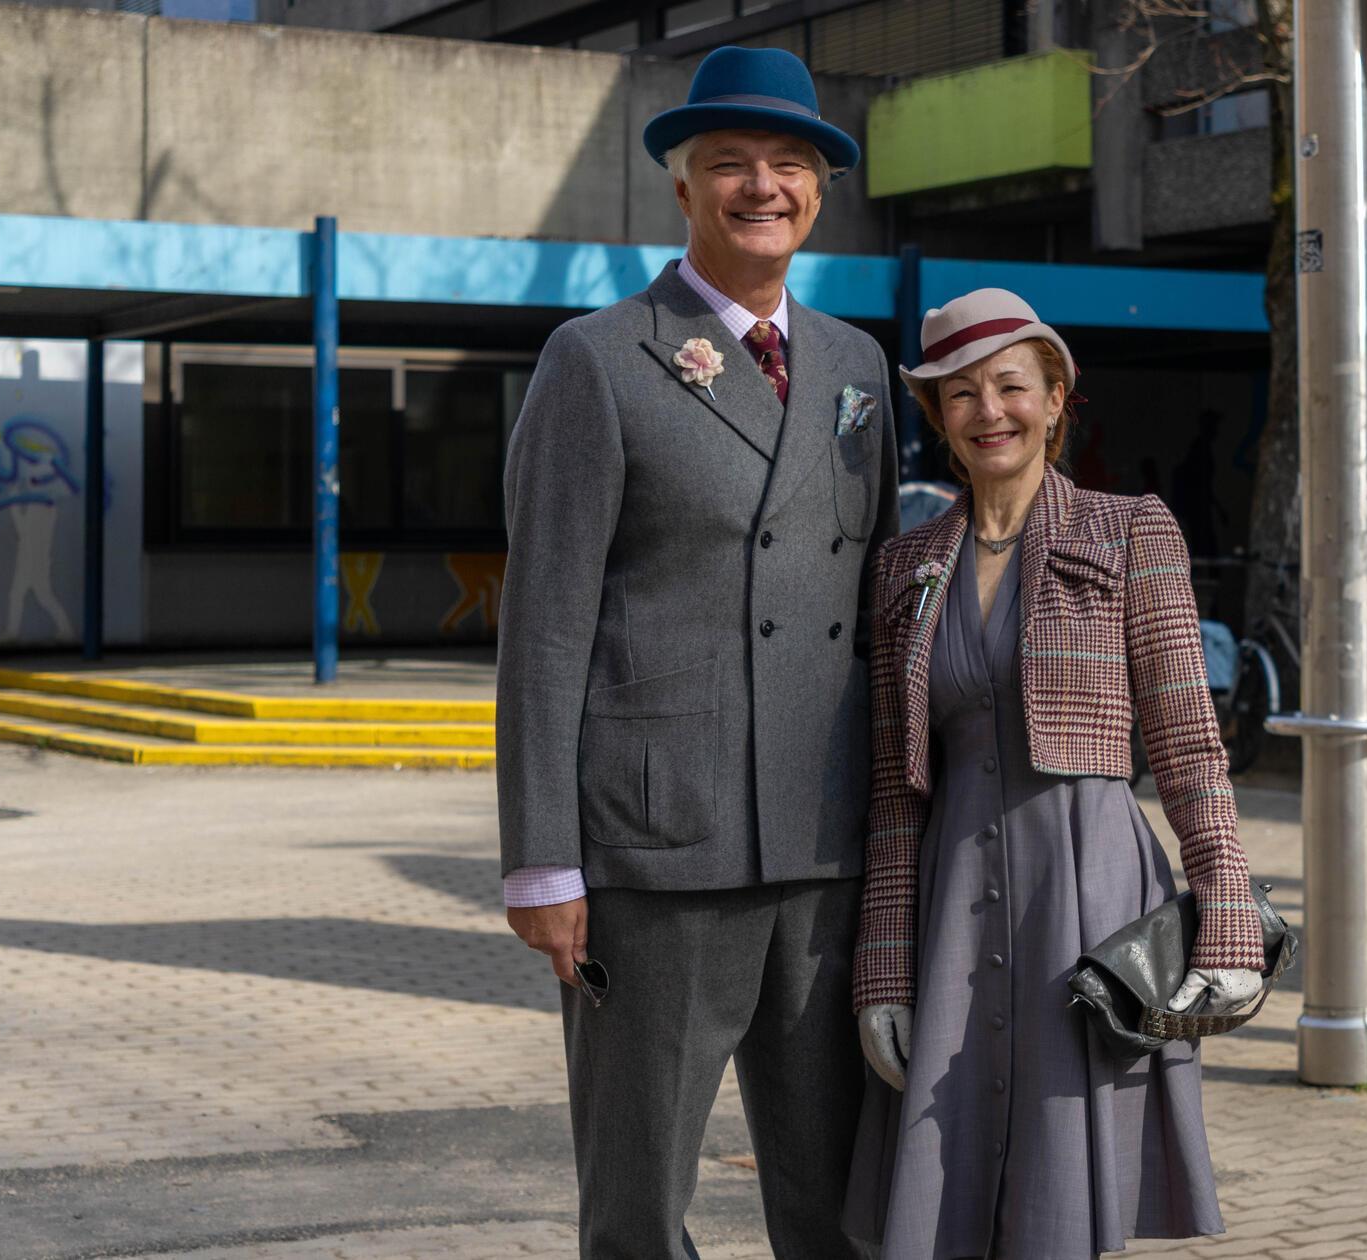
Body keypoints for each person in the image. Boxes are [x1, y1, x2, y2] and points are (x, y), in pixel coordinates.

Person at [494, 46, 897, 1259]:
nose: (760, 186)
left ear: (819, 192)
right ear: (683, 191)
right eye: (729, 164)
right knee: (637, 1203)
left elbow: (875, 600)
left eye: (788, 164)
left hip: (827, 846)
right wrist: (542, 866)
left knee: (840, 1198)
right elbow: (546, 624)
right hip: (660, 848)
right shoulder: (598, 356)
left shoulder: (856, 368)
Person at [844, 288, 1265, 1258]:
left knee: (1061, 1201)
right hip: (949, 906)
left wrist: (1229, 920)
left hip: (1088, 902)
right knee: (940, 1197)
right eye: (959, 394)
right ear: (936, 416)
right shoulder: (903, 564)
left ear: (1056, 395)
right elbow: (890, 792)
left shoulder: (1130, 531)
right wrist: (881, 972)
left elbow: (1187, 743)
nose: (987, 411)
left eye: (1008, 387)